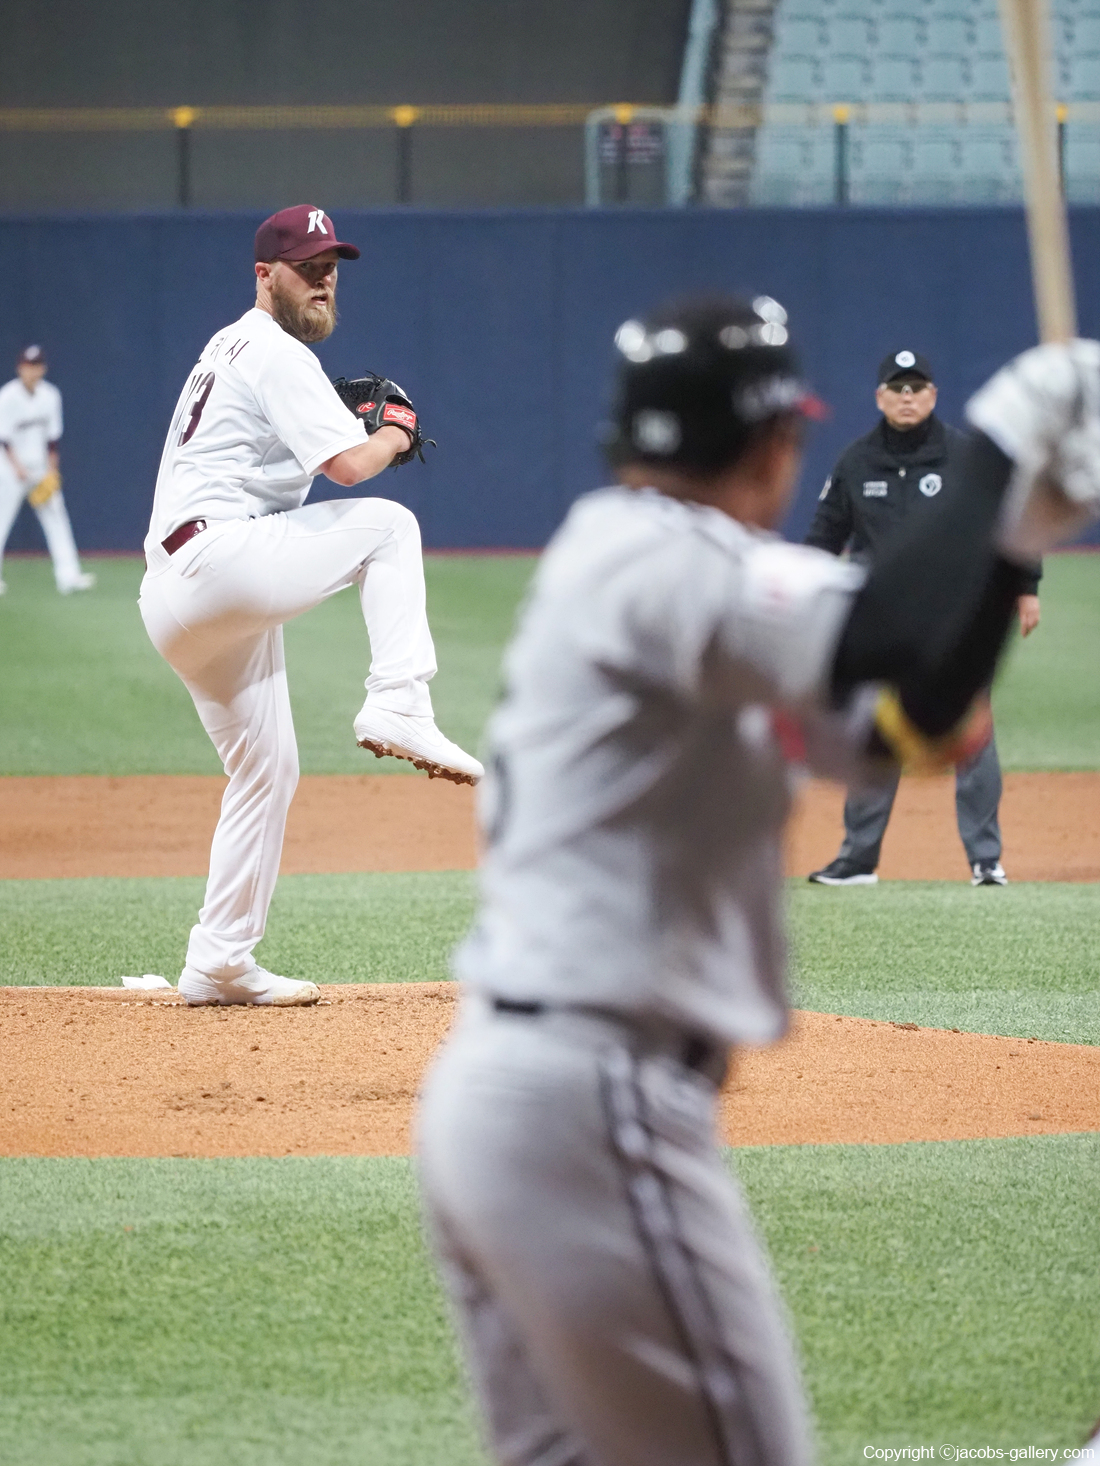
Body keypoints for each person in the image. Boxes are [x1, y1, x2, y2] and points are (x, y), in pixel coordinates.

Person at [416, 296, 1100, 1466]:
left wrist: (1010, 540)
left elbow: (913, 714)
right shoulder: (668, 560)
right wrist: (998, 443)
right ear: (773, 441)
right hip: (596, 1100)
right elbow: (885, 631)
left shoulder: (639, 562)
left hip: (518, 1097)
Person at [139, 204, 482, 1009]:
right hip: (218, 561)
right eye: (307, 268)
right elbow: (351, 468)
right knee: (389, 527)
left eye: (331, 267)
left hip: (177, 591)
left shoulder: (232, 345)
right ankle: (399, 700)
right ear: (266, 275)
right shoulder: (274, 349)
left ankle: (220, 960)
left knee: (267, 768)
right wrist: (397, 432)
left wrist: (361, 430)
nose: (324, 280)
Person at [804, 349, 1041, 888]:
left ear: (933, 395)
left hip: (954, 612)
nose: (907, 397)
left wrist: (1027, 588)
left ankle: (986, 860)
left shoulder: (964, 457)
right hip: (879, 619)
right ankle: (858, 860)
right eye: (897, 388)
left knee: (970, 730)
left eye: (917, 388)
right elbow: (824, 535)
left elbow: (1012, 518)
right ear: (879, 397)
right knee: (873, 733)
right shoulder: (856, 461)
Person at [0, 345, 95, 596]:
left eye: (37, 365)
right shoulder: (7, 397)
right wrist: (17, 468)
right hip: (10, 469)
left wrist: (52, 470)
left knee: (57, 519)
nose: (33, 370)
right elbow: (4, 439)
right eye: (29, 365)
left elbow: (53, 439)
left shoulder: (50, 395)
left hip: (40, 467)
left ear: (43, 368)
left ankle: (69, 577)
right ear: (20, 368)